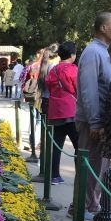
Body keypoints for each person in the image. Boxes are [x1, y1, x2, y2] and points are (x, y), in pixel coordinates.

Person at [74, 12, 111, 221]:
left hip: (100, 121)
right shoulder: (93, 52)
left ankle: (89, 204)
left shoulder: (102, 52)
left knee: (99, 166)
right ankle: (86, 207)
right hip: (93, 122)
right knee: (91, 165)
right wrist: (95, 121)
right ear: (103, 28)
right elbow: (89, 90)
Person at [45, 41, 78, 185]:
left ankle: (54, 176)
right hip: (71, 110)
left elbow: (49, 86)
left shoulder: (53, 70)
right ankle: (80, 176)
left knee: (56, 145)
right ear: (72, 55)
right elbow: (78, 88)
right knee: (79, 145)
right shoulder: (73, 69)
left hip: (55, 110)